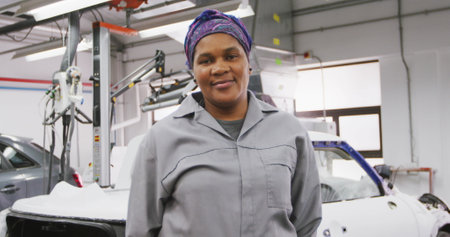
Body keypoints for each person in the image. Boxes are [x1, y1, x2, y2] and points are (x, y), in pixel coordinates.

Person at [126, 9, 322, 237]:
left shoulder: (289, 132)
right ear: (194, 72)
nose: (219, 68)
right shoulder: (161, 139)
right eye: (206, 60)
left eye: (231, 56)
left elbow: (306, 224)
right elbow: (141, 230)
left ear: (248, 63)